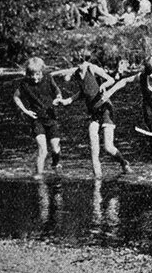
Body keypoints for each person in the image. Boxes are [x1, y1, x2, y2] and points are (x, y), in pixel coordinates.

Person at [53, 49, 131, 179]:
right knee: (94, 148)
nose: (79, 66)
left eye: (80, 62)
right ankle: (98, 177)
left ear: (84, 60)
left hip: (105, 109)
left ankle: (123, 162)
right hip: (94, 113)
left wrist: (104, 85)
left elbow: (111, 80)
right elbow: (83, 92)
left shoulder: (92, 68)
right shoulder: (77, 74)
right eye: (76, 63)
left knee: (108, 147)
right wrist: (68, 100)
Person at [12, 58, 68, 176]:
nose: (35, 78)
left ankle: (55, 164)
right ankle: (39, 177)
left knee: (55, 149)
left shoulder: (48, 78)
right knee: (43, 150)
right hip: (37, 119)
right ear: (28, 74)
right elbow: (16, 97)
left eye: (37, 74)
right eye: (32, 75)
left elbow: (57, 90)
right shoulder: (25, 83)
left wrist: (58, 97)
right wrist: (25, 111)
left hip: (51, 118)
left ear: (42, 71)